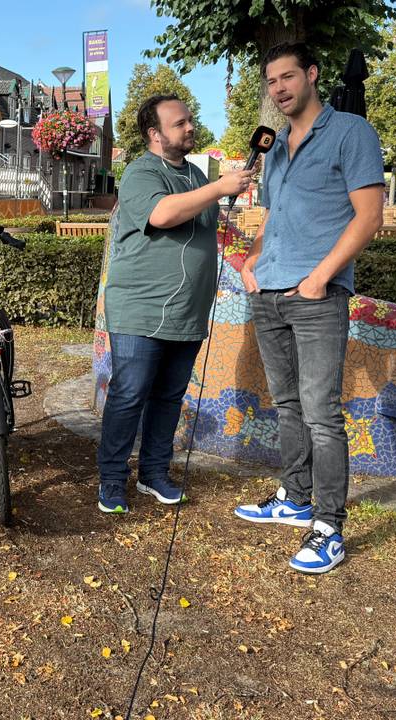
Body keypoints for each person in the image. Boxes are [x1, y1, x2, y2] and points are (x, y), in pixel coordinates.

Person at [232, 43, 384, 574]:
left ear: (312, 75)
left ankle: (328, 527)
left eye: (288, 76)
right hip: (268, 291)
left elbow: (368, 217)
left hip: (317, 295)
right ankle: (295, 498)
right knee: (287, 403)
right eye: (271, 81)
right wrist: (251, 262)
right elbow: (272, 219)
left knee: (322, 412)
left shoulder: (351, 132)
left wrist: (321, 278)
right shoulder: (273, 149)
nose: (279, 88)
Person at [98, 94, 254, 514]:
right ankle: (112, 481)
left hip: (187, 310)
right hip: (140, 308)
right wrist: (219, 188)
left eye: (190, 120)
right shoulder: (140, 172)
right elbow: (163, 214)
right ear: (155, 134)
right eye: (180, 123)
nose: (190, 128)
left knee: (169, 396)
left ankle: (153, 474)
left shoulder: (195, 173)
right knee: (129, 393)